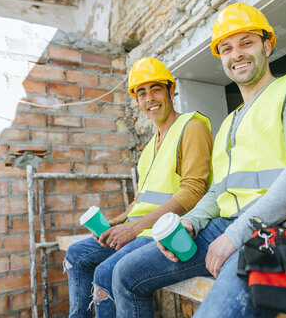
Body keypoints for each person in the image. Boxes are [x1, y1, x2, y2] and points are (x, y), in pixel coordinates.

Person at [112, 3, 286, 318]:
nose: (236, 54)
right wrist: (191, 222)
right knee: (124, 274)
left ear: (267, 45)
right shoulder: (230, 122)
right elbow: (218, 190)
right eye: (226, 48)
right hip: (225, 226)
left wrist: (235, 236)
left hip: (283, 229)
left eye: (246, 43)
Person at [64, 57, 213, 317]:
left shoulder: (192, 126)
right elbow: (141, 200)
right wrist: (117, 221)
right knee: (76, 254)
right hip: (140, 227)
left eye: (156, 89)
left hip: (162, 231)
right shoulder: (148, 149)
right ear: (137, 100)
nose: (149, 99)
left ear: (171, 89)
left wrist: (133, 227)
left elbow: (193, 190)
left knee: (105, 272)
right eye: (141, 93)